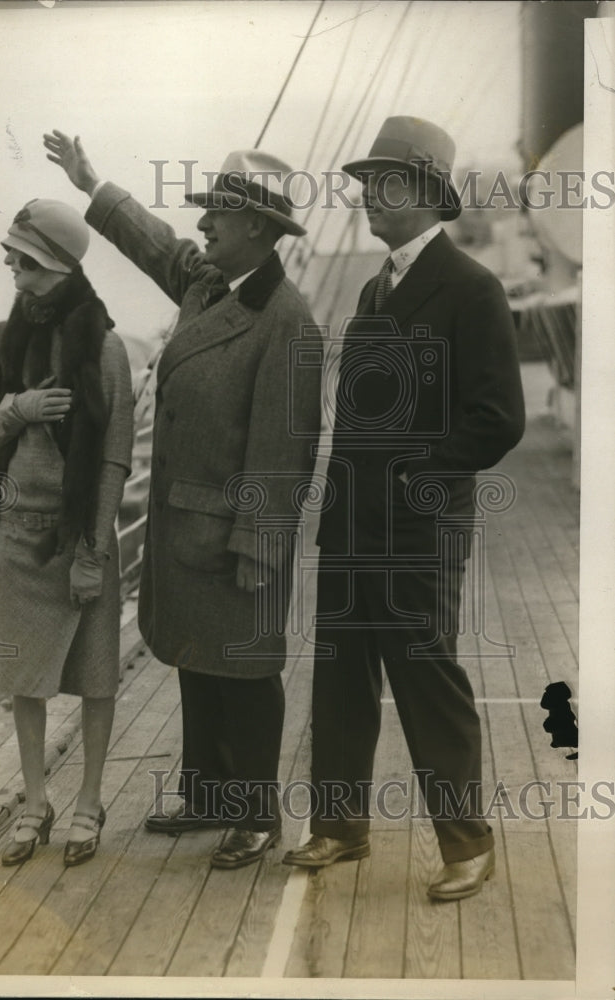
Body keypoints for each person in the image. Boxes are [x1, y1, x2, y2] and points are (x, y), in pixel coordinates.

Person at [44, 131, 322, 870]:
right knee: (198, 661)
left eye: (217, 215)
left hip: (233, 535)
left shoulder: (286, 321)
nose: (202, 225)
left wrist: (260, 546)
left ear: (258, 228)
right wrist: (92, 182)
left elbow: (283, 450)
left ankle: (256, 814)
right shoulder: (207, 285)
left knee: (244, 672)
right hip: (187, 525)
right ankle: (207, 795)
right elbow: (154, 244)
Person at [283, 117, 525, 901]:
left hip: (418, 526)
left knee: (426, 679)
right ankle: (340, 825)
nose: (365, 198)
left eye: (382, 183)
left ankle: (466, 842)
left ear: (425, 193)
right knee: (340, 674)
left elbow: (496, 418)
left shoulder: (471, 288)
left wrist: (412, 472)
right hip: (352, 522)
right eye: (363, 184)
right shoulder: (372, 285)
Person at [0, 198, 133, 867]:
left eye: (25, 263)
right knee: (25, 680)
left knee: (96, 677)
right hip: (19, 534)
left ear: (56, 267)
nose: (14, 273)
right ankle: (35, 801)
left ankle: (88, 801)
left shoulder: (105, 347)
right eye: (13, 260)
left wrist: (93, 554)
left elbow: (114, 459)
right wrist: (18, 408)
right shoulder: (3, 340)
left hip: (81, 540)